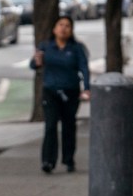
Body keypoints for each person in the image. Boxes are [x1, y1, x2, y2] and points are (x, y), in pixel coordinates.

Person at [30, 15, 91, 174]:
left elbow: (83, 68)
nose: (63, 28)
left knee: (69, 126)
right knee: (50, 126)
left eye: (67, 26)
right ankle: (48, 160)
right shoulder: (46, 47)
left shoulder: (76, 48)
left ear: (71, 30)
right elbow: (34, 65)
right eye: (60, 25)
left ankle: (68, 159)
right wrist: (36, 61)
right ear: (54, 29)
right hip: (51, 91)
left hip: (70, 92)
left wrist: (86, 88)